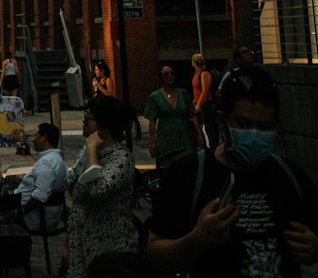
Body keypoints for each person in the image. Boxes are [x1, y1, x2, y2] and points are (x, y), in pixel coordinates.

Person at [147, 66, 318, 275]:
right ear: (222, 121)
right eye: (244, 123)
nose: (254, 133)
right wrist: (195, 241)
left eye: (265, 126)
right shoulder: (189, 174)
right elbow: (155, 255)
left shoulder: (290, 176)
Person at [65, 96, 136, 278]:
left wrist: (91, 151)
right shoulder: (87, 150)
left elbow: (96, 189)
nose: (83, 122)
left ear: (103, 126)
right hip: (82, 244)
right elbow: (72, 185)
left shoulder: (121, 158)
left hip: (109, 248)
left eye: (88, 118)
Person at [143, 66, 200, 178]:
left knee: (187, 168)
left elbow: (192, 116)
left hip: (184, 137)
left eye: (171, 73)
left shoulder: (183, 93)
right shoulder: (155, 97)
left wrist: (199, 134)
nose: (170, 76)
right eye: (166, 74)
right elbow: (152, 120)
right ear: (161, 78)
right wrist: (152, 142)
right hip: (166, 140)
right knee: (168, 172)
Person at [15, 122, 68, 233]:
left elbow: (40, 195)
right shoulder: (57, 160)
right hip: (44, 215)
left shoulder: (47, 162)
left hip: (34, 218)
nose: (33, 139)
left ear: (44, 138)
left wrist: (21, 210)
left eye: (36, 135)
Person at [191, 53, 217, 150]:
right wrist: (195, 101)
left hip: (205, 104)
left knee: (209, 127)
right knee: (197, 126)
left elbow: (205, 90)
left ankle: (213, 147)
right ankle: (203, 145)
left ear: (194, 62)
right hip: (199, 103)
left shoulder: (204, 73)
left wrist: (199, 104)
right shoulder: (196, 73)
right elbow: (197, 90)